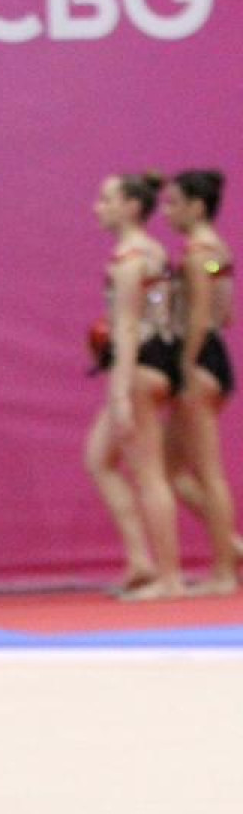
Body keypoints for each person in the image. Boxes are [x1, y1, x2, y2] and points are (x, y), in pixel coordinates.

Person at [85, 173, 185, 600]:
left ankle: (170, 577)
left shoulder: (130, 258)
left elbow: (126, 326)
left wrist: (120, 391)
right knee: (98, 458)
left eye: (106, 199)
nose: (97, 207)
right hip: (158, 359)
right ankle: (140, 559)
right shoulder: (154, 251)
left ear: (130, 206)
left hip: (142, 366)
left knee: (149, 474)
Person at [161, 170, 238, 592]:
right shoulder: (216, 250)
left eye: (174, 203)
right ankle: (231, 550)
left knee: (208, 471)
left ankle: (225, 573)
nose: (167, 211)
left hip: (200, 360)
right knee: (170, 470)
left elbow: (200, 316)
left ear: (197, 206)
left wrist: (186, 365)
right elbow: (224, 314)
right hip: (213, 355)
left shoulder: (197, 253)